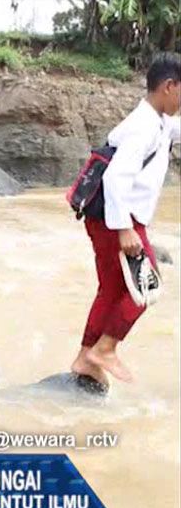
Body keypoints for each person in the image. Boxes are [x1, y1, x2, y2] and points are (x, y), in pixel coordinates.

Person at [72, 52, 181, 385]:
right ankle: (105, 350)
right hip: (117, 220)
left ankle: (84, 359)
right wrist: (125, 230)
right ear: (169, 86)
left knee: (111, 289)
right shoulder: (143, 127)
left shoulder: (159, 120)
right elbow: (115, 178)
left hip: (108, 218)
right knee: (146, 288)